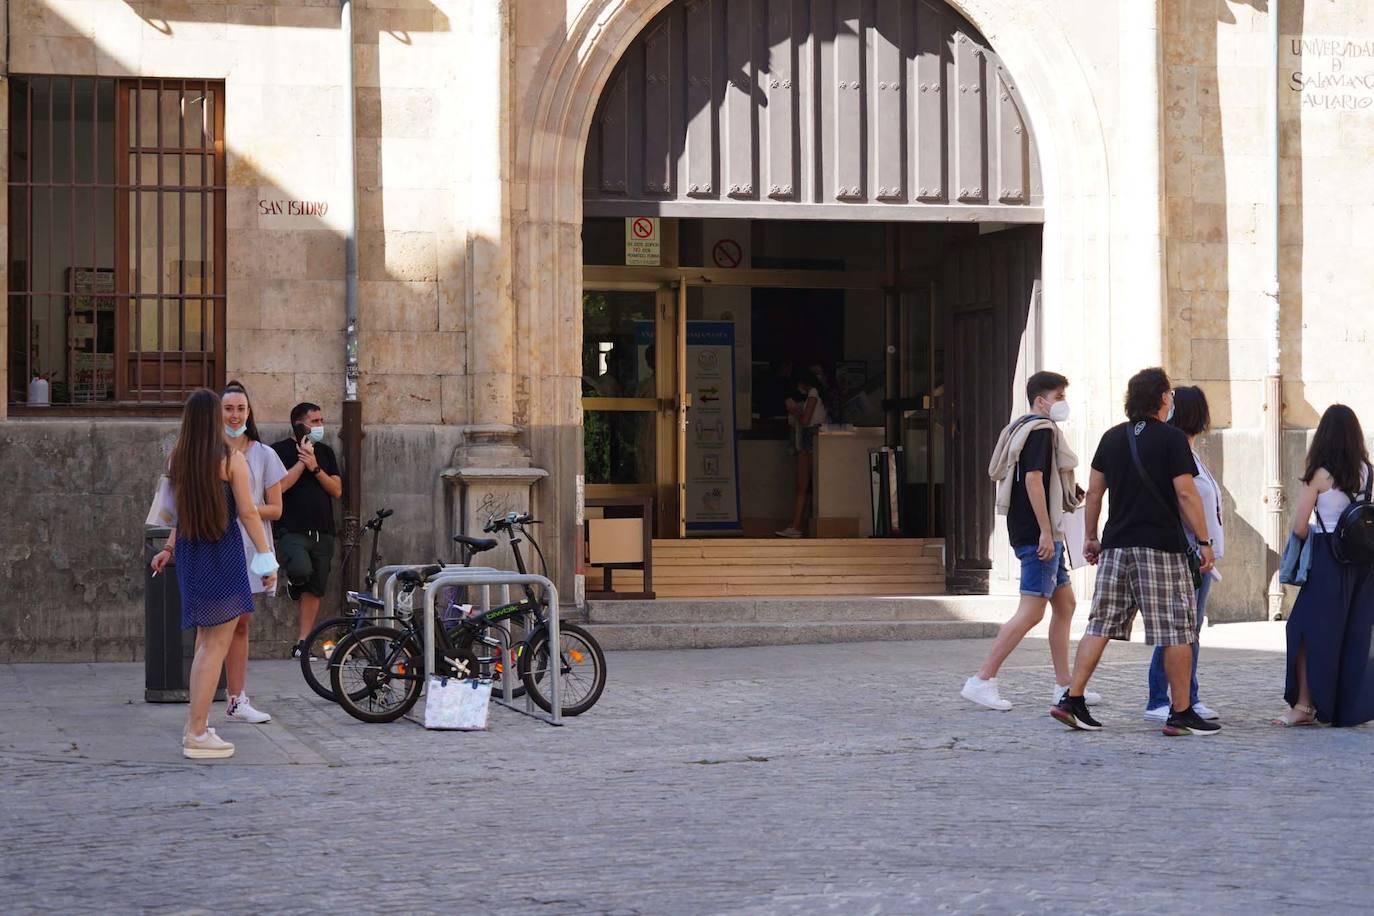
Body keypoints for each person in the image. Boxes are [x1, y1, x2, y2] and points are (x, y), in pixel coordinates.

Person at [1050, 367, 1219, 736]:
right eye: (1170, 394)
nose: (1172, 400)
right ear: (1161, 398)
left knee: (1100, 624)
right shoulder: (1172, 440)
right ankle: (1180, 712)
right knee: (1178, 629)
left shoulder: (1112, 438)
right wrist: (1205, 542)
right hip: (1160, 548)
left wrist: (1091, 537)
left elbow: (1094, 492)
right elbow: (1187, 493)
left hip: (1116, 546)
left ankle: (1072, 699)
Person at [150, 389, 277, 759]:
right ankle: (197, 731)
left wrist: (171, 548)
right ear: (213, 419)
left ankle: (197, 723)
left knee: (206, 645)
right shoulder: (230, 459)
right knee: (214, 647)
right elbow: (249, 513)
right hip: (222, 553)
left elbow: (169, 513)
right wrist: (266, 560)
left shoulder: (177, 460)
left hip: (191, 554)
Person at [962, 371, 1098, 711]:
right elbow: (1034, 480)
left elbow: (1037, 478)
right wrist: (1045, 531)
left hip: (1031, 529)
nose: (1063, 403)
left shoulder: (1022, 427)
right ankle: (982, 679)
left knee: (1065, 605)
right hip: (1039, 533)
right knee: (1031, 611)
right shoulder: (1041, 431)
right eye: (1059, 396)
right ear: (1041, 400)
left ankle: (1064, 685)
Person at [1274, 404, 1374, 727]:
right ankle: (1348, 708)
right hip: (1362, 561)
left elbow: (1300, 525)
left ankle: (1304, 706)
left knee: (1301, 629)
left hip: (1329, 557)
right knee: (1352, 633)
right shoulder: (1367, 471)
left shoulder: (1320, 474)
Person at [1144, 386, 1223, 723]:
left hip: (1203, 558)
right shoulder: (1178, 455)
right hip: (1188, 554)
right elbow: (1184, 501)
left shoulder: (1193, 454)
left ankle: (1188, 695)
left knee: (1191, 632)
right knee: (1177, 632)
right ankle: (1160, 698)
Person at [218, 381, 287, 723]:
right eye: (229, 408)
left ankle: (236, 696)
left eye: (240, 409)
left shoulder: (264, 454)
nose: (235, 415)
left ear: (249, 412)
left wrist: (244, 507)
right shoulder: (210, 453)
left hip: (252, 546)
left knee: (242, 620)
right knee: (220, 622)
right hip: (217, 545)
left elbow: (276, 509)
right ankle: (217, 692)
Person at [273, 402, 343, 655]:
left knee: (315, 588)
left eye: (321, 420)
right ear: (299, 424)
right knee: (300, 569)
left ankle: (303, 642)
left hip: (323, 531)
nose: (320, 426)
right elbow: (278, 487)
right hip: (292, 529)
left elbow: (336, 490)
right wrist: (301, 463)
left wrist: (314, 465)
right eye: (314, 421)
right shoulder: (278, 451)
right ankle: (294, 582)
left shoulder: (325, 452)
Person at [776, 370, 827, 538]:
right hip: (813, 438)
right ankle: (796, 524)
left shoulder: (813, 393)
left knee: (802, 485)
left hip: (809, 438)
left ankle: (796, 525)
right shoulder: (821, 395)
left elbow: (805, 420)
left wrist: (795, 410)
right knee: (805, 485)